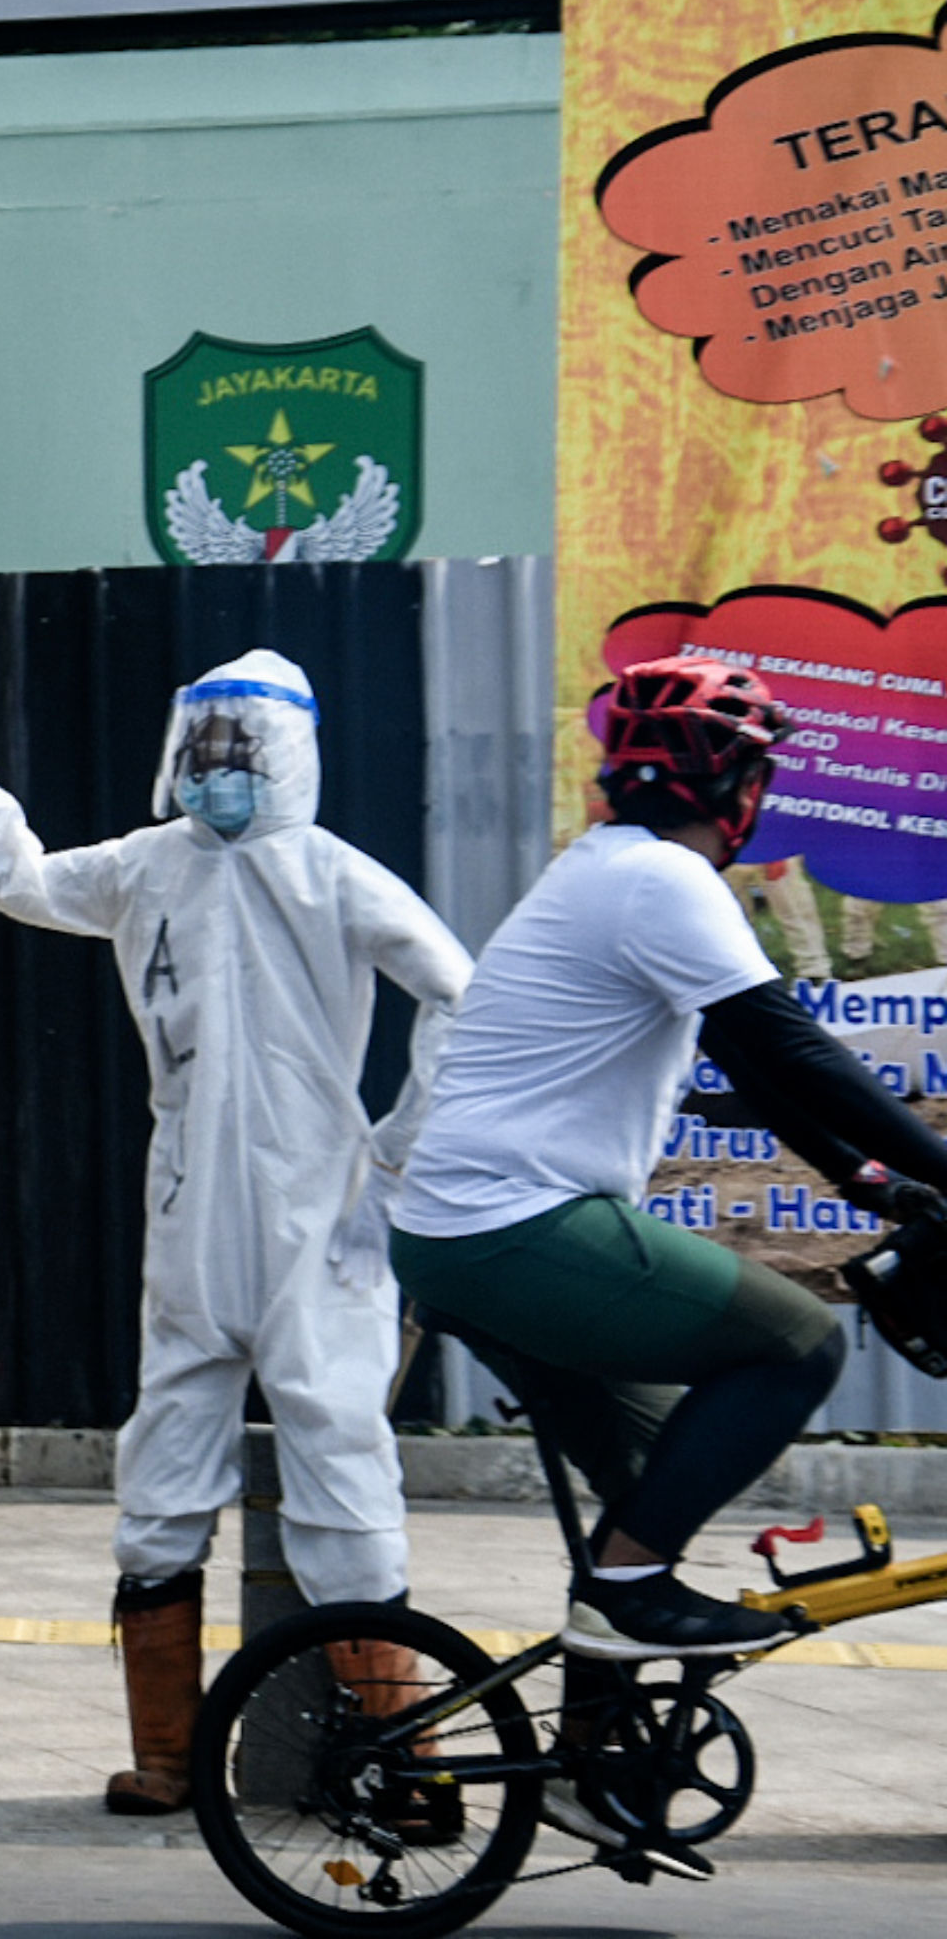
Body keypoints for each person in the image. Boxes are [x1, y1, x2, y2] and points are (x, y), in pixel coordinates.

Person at [0, 650, 471, 1815]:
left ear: (289, 754)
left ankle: (402, 1757)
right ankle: (167, 1758)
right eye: (205, 748)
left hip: (321, 1213)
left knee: (343, 1466)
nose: (219, 770)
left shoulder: (330, 875)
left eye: (240, 748)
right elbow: (19, 874)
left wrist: (398, 1155)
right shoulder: (150, 865)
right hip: (198, 1209)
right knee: (163, 1472)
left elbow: (458, 990)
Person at [393, 654, 947, 1666]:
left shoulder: (607, 870)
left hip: (459, 1235)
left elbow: (755, 1064)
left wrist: (876, 1181)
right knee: (796, 1344)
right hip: (511, 1225)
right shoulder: (661, 879)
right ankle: (624, 1592)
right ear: (743, 787)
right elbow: (793, 1047)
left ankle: (600, 1752)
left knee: (655, 1480)